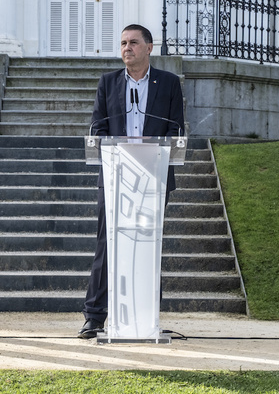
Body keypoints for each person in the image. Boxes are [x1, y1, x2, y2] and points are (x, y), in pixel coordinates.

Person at [78, 24, 185, 339]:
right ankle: (95, 316)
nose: (127, 48)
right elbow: (98, 128)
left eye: (134, 43)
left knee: (148, 245)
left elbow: (175, 129)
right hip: (115, 175)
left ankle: (147, 314)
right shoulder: (108, 83)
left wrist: (153, 148)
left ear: (149, 48)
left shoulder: (168, 83)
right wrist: (116, 147)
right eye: (123, 43)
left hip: (154, 175)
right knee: (106, 244)